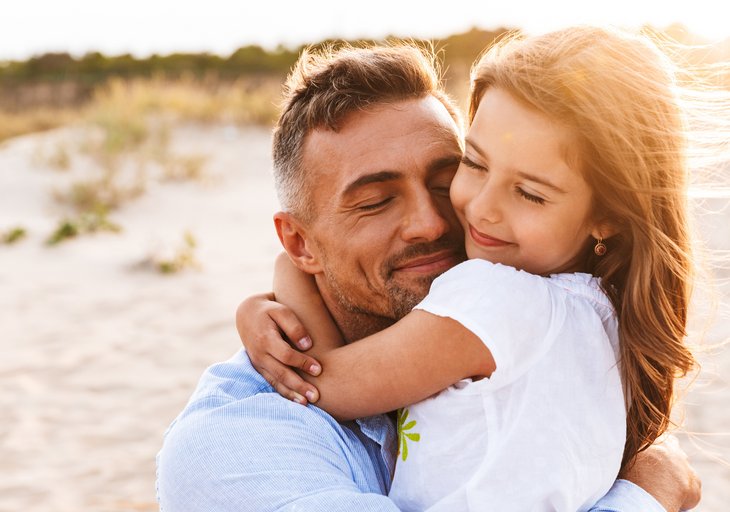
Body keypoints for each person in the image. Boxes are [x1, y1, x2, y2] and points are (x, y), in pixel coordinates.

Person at [157, 41, 702, 511]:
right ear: (300, 243)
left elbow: (327, 378)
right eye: (375, 202)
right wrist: (647, 493)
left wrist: (284, 283)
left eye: (446, 179)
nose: (435, 221)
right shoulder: (234, 444)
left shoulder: (505, 313)